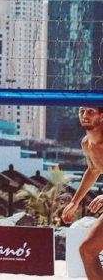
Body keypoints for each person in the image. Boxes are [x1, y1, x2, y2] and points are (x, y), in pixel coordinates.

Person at [62, 106, 103, 280]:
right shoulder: (87, 143)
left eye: (91, 111)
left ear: (102, 116)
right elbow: (93, 169)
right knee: (87, 250)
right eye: (82, 111)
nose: (85, 115)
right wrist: (75, 201)